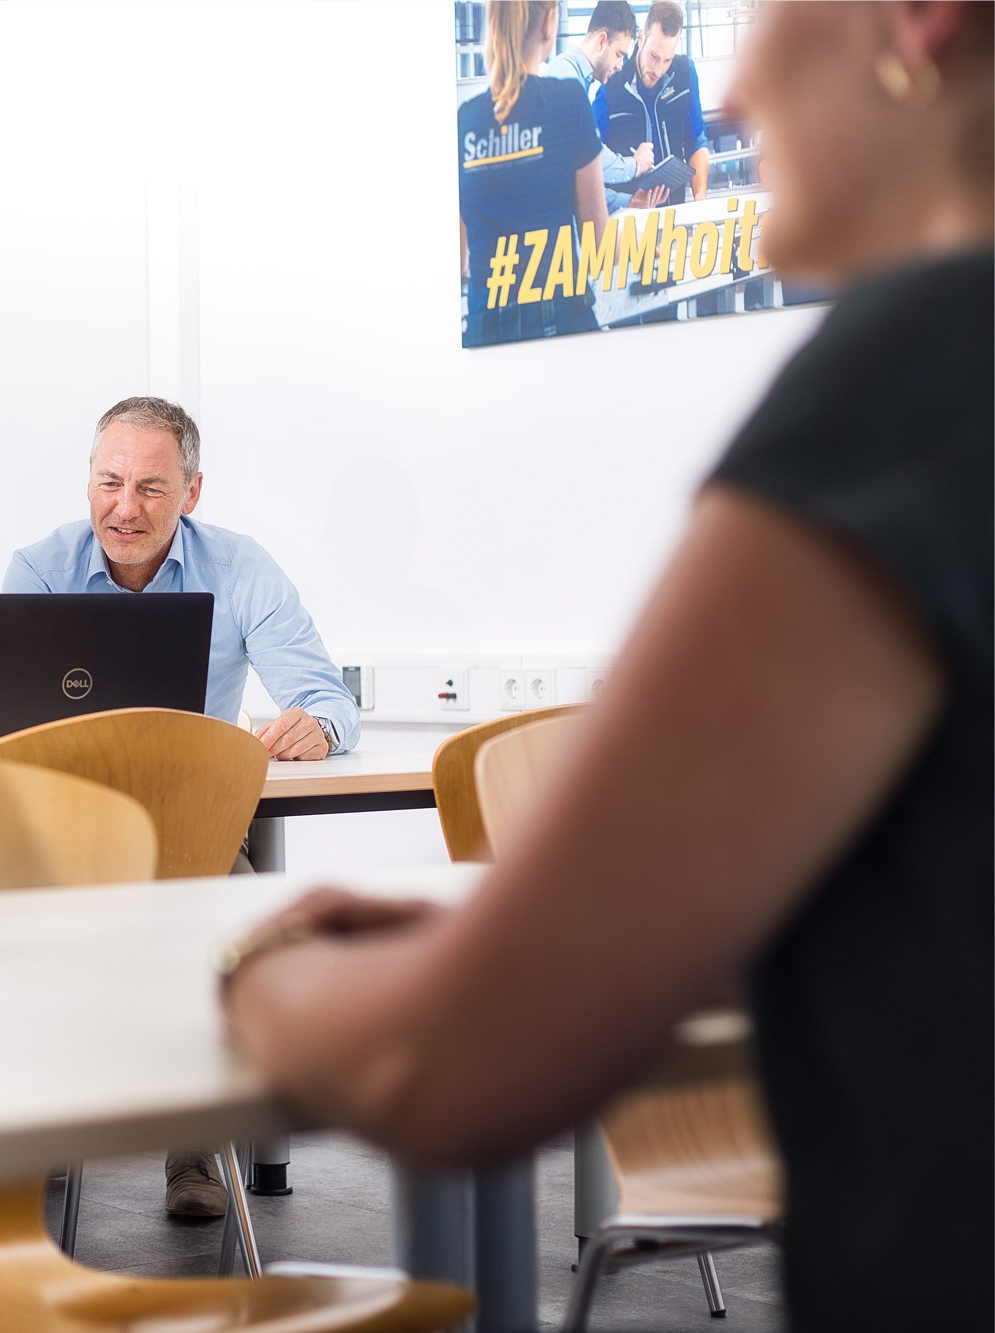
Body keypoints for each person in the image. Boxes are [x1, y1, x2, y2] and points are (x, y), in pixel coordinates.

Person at [225, 3, 991, 1328]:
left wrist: (262, 969)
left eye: (765, 21)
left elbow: (445, 1065)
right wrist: (542, 934)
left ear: (917, 23)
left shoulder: (921, 376)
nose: (734, 94)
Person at [2, 395, 359, 1218]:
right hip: (66, 829)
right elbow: (5, 722)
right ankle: (37, 1125)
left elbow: (325, 697)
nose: (125, 508)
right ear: (88, 483)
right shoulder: (40, 569)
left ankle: (196, 1150)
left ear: (193, 491)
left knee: (236, 919)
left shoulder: (239, 568)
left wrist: (317, 723)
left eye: (152, 489)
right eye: (110, 482)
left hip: (192, 831)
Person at [457, 0, 610, 346]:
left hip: (485, 329)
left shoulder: (464, 120)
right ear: (548, 24)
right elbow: (596, 243)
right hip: (558, 321)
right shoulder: (569, 100)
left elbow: (459, 261)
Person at [595, 0, 711, 209]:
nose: (658, 69)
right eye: (654, 56)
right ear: (641, 38)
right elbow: (593, 160)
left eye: (667, 60)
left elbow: (696, 142)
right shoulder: (609, 85)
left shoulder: (685, 73)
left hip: (673, 217)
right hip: (627, 219)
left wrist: (700, 198)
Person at [539, 0, 654, 202]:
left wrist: (628, 202)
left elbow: (580, 182)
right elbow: (590, 155)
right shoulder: (564, 74)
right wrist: (634, 165)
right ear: (601, 41)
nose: (620, 66)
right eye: (619, 54)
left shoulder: (580, 82)